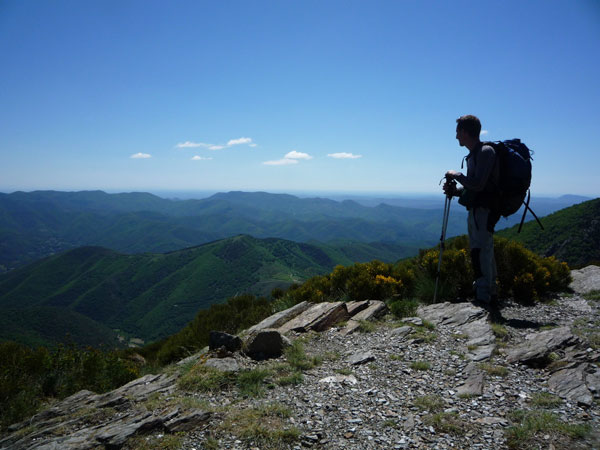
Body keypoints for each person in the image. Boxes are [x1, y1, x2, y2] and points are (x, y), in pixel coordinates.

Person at [443, 115, 500, 308]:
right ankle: (489, 291)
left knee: (480, 250)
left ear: (466, 132)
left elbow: (478, 184)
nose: (456, 137)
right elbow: (474, 189)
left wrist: (458, 175)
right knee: (483, 249)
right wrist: (457, 192)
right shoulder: (476, 153)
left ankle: (484, 297)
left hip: (484, 211)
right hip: (478, 209)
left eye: (458, 132)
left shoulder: (485, 152)